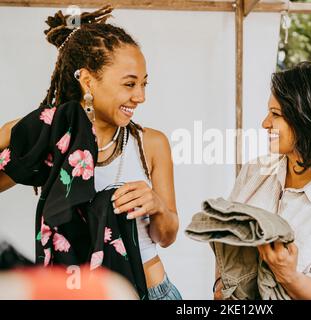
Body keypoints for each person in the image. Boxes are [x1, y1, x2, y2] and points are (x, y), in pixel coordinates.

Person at [0, 5, 181, 300]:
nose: (141, 96)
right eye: (129, 84)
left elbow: (167, 236)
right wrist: (11, 131)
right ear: (87, 81)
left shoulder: (151, 144)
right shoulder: (53, 141)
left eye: (144, 84)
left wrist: (157, 205)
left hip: (154, 293)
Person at [214, 61, 311, 300]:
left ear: (308, 121)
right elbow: (225, 238)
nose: (265, 123)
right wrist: (219, 288)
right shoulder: (255, 171)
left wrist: (288, 275)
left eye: (275, 114)